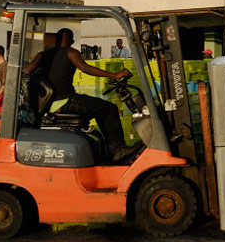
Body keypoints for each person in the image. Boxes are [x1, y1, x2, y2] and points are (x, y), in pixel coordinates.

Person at [25, 28, 141, 164]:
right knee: (108, 108)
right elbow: (85, 68)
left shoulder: (42, 55)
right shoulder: (71, 53)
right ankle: (117, 150)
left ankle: (107, 152)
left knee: (97, 107)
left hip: (49, 104)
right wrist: (114, 75)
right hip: (66, 102)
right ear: (72, 41)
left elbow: (25, 71)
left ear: (55, 39)